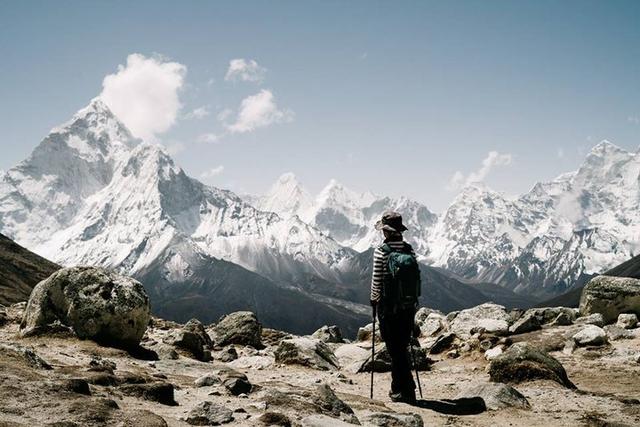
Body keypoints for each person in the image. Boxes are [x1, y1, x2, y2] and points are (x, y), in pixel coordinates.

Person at [370, 211, 420, 404]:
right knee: (401, 346)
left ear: (386, 232)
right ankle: (399, 388)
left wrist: (374, 300)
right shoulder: (409, 250)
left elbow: (377, 280)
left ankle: (405, 390)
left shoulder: (381, 251)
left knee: (394, 349)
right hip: (408, 306)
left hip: (388, 307)